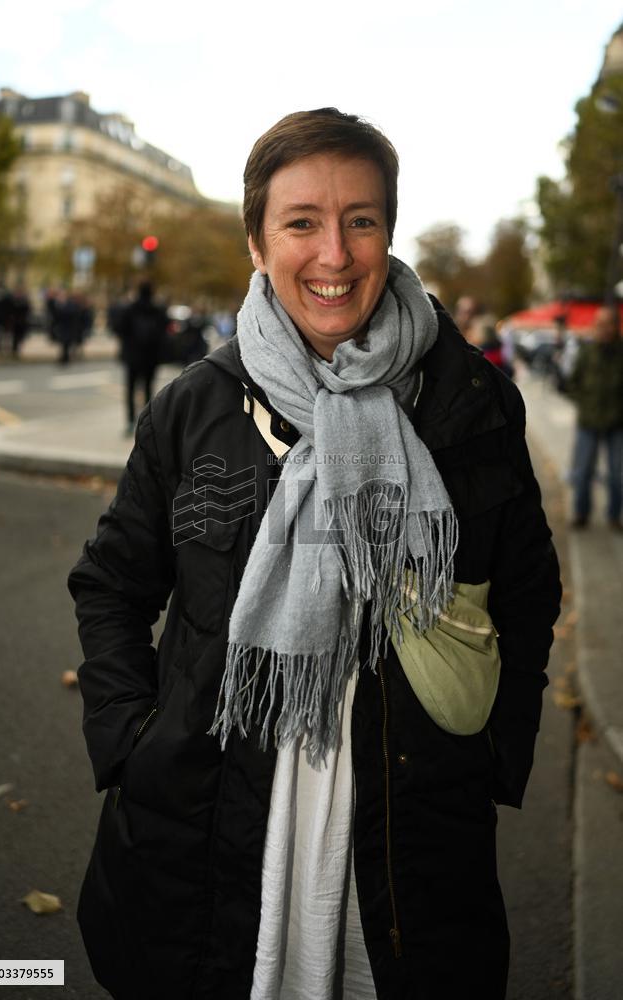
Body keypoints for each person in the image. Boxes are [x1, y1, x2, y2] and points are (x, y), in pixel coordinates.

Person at [68, 109, 561, 1000]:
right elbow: (110, 583)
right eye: (302, 223)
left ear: (388, 232)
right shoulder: (196, 405)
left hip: (408, 846)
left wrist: (492, 755)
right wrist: (131, 741)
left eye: (360, 220)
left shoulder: (475, 399)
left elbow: (528, 589)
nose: (334, 254)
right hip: (208, 830)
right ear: (257, 242)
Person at [567, 304, 623, 530]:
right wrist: (584, 402)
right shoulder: (586, 351)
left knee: (617, 475)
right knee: (582, 472)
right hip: (588, 422)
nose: (603, 328)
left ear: (616, 327)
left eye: (608, 324)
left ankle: (614, 516)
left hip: (617, 423)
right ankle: (581, 513)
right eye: (599, 323)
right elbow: (573, 382)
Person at [117, 281, 168, 434]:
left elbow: (120, 329)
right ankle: (146, 423)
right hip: (150, 357)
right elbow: (164, 332)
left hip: (132, 356)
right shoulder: (158, 310)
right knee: (147, 389)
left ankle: (130, 420)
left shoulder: (130, 309)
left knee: (131, 389)